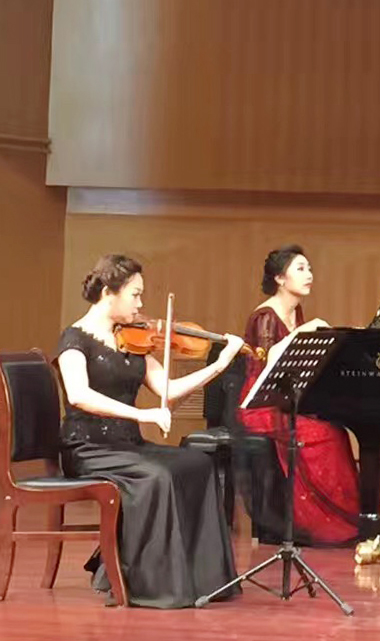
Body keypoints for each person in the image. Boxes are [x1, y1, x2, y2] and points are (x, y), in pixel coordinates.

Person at [54, 254, 244, 608]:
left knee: (197, 464)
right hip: (89, 449)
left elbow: (168, 390)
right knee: (158, 476)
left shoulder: (130, 338)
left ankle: (201, 580)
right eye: (135, 294)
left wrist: (220, 364)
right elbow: (79, 395)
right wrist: (141, 414)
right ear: (109, 293)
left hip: (127, 445)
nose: (141, 304)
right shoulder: (74, 339)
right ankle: (149, 584)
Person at [236, 245, 361, 545]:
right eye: (301, 269)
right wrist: (307, 331)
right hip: (261, 404)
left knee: (335, 430)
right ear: (280, 278)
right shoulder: (265, 316)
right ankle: (317, 525)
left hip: (284, 400)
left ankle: (345, 520)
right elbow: (269, 359)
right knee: (325, 435)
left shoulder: (296, 313)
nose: (309, 275)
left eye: (309, 268)